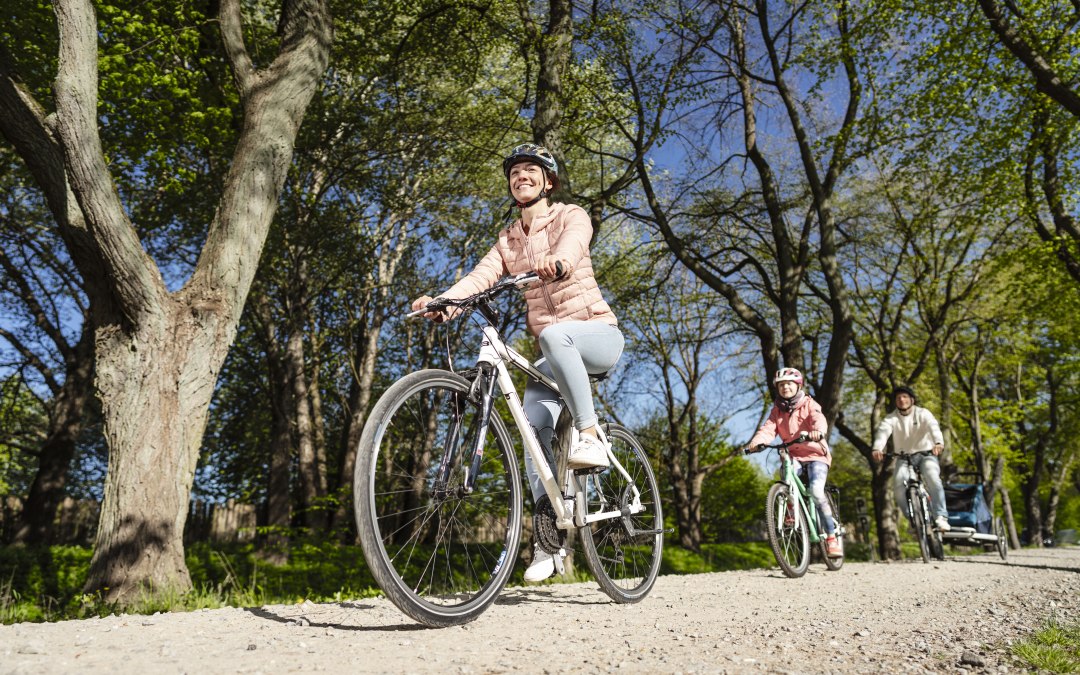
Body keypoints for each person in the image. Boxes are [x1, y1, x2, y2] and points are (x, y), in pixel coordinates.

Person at [411, 143, 623, 582]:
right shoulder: (508, 240)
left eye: (531, 170)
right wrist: (443, 302)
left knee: (552, 334)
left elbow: (575, 242)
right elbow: (479, 277)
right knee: (532, 432)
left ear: (548, 181)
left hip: (598, 336)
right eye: (514, 172)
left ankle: (590, 435)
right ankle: (550, 541)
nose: (521, 176)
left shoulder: (570, 215)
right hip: (554, 356)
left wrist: (558, 261)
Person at [745, 368, 841, 557]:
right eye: (781, 385)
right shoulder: (776, 411)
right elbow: (768, 429)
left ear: (798, 386)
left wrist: (817, 431)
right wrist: (756, 443)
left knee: (815, 490)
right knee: (787, 471)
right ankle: (791, 508)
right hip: (793, 455)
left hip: (815, 455)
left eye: (789, 384)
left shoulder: (808, 404)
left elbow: (818, 418)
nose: (785, 387)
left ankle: (831, 538)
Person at [870, 385, 951, 532]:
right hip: (904, 457)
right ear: (895, 402)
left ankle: (941, 516)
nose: (901, 399)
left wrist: (939, 442)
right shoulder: (891, 418)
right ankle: (913, 519)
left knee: (933, 477)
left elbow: (933, 427)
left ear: (912, 400)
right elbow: (883, 433)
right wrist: (877, 448)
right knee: (898, 484)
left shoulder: (923, 413)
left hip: (926, 454)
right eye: (898, 397)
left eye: (905, 396)